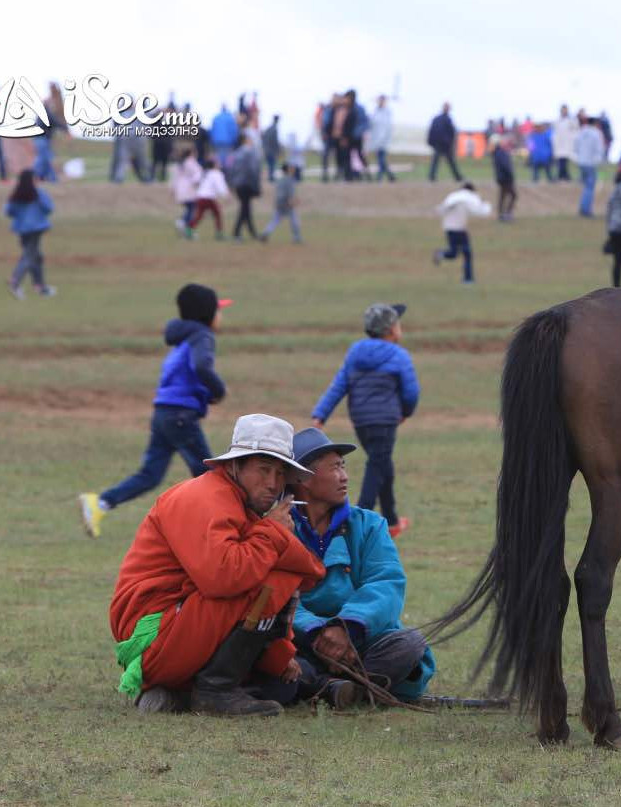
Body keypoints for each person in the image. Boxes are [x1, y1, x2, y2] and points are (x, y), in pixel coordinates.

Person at [109, 414, 326, 716]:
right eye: (264, 470)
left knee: (281, 686)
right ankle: (215, 690)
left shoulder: (235, 502)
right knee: (274, 579)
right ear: (235, 465)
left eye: (280, 474)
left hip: (176, 629)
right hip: (155, 638)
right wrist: (275, 533)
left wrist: (280, 654)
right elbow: (223, 577)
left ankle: (180, 694)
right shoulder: (204, 497)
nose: (273, 484)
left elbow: (304, 568)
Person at [288, 428, 436, 703]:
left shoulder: (369, 524)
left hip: (361, 641)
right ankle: (353, 689)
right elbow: (278, 595)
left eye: (343, 467)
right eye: (334, 468)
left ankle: (333, 689)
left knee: (409, 643)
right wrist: (317, 633)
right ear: (303, 478)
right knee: (269, 652)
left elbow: (386, 583)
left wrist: (346, 628)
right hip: (304, 641)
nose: (344, 477)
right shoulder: (279, 528)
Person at [80, 284, 231, 536]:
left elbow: (181, 376)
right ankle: (217, 529)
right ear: (208, 314)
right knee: (210, 476)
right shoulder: (203, 336)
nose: (221, 316)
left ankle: (99, 503)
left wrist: (201, 395)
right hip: (180, 416)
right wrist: (217, 391)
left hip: (163, 413)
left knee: (151, 475)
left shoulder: (182, 340)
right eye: (219, 310)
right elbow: (202, 367)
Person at [310, 303, 420, 537]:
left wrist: (321, 414)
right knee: (377, 465)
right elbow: (411, 391)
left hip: (360, 421)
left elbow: (339, 384)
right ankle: (356, 520)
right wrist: (406, 411)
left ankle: (391, 521)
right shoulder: (398, 354)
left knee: (381, 463)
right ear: (391, 329)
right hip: (386, 420)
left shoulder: (355, 352)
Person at [5, 170, 56, 299]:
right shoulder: (38, 194)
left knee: (36, 256)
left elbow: (9, 211)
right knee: (29, 257)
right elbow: (49, 208)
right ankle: (15, 282)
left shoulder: (17, 195)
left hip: (22, 230)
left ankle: (40, 286)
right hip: (35, 229)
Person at [432, 182, 491, 284]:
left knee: (454, 253)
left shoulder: (454, 196)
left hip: (450, 228)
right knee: (466, 253)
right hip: (458, 229)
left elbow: (443, 208)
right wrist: (486, 206)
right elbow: (479, 211)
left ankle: (440, 254)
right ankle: (468, 279)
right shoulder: (468, 198)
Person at [227, 134, 262, 241]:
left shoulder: (235, 153)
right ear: (246, 140)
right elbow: (253, 169)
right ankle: (237, 233)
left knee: (246, 208)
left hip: (238, 184)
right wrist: (256, 186)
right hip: (247, 183)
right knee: (244, 209)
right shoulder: (250, 152)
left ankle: (252, 233)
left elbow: (231, 169)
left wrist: (231, 183)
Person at [259, 163, 302, 244]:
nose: (292, 169)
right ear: (288, 170)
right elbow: (290, 194)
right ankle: (297, 237)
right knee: (294, 219)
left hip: (279, 203)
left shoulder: (280, 180)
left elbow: (278, 193)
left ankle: (265, 233)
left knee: (275, 220)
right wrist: (293, 201)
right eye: (290, 168)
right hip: (287, 203)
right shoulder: (290, 180)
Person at [189, 158, 228, 240]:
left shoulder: (204, 172)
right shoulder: (216, 173)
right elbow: (221, 187)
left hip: (200, 197)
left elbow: (194, 180)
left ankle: (189, 230)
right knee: (217, 214)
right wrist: (225, 195)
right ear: (214, 165)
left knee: (199, 215)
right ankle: (219, 234)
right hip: (209, 198)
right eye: (217, 163)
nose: (219, 165)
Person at [574, 117, 605, 217]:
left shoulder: (581, 132)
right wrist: (598, 161)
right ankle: (586, 210)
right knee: (590, 187)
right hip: (590, 163)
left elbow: (576, 146)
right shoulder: (596, 133)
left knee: (586, 186)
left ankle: (583, 208)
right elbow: (599, 149)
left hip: (581, 162)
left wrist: (579, 157)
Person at [170, 148, 202, 237]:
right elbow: (198, 175)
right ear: (191, 153)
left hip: (180, 190)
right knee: (192, 209)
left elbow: (174, 178)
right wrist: (197, 183)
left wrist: (173, 189)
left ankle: (183, 224)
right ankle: (183, 224)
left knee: (189, 208)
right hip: (189, 189)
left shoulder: (180, 164)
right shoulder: (191, 162)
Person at [426, 103, 462, 181]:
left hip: (443, 144)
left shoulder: (442, 119)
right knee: (439, 161)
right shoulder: (442, 119)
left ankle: (457, 177)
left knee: (447, 161)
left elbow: (451, 132)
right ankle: (432, 176)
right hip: (442, 144)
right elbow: (433, 131)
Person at [367, 95, 396, 182]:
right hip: (376, 139)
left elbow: (387, 127)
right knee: (381, 159)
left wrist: (383, 138)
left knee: (381, 159)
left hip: (384, 140)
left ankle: (379, 177)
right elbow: (372, 124)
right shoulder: (375, 112)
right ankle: (390, 176)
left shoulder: (387, 112)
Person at [491, 136, 517, 222]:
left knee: (503, 196)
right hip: (506, 178)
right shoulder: (501, 153)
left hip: (501, 178)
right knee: (513, 195)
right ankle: (507, 214)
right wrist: (511, 176)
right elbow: (506, 166)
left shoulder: (496, 153)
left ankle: (501, 214)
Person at [552, 104, 578, 181]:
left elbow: (575, 130)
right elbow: (555, 132)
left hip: (568, 143)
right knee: (561, 160)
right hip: (560, 144)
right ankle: (562, 175)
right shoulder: (557, 121)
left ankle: (564, 175)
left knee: (565, 160)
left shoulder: (571, 120)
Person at [261, 114, 281, 182]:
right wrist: (278, 150)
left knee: (270, 164)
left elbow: (263, 137)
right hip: (271, 150)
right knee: (272, 164)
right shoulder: (274, 129)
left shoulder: (269, 128)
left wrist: (264, 147)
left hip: (267, 149)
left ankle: (270, 177)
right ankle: (271, 178)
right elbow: (275, 141)